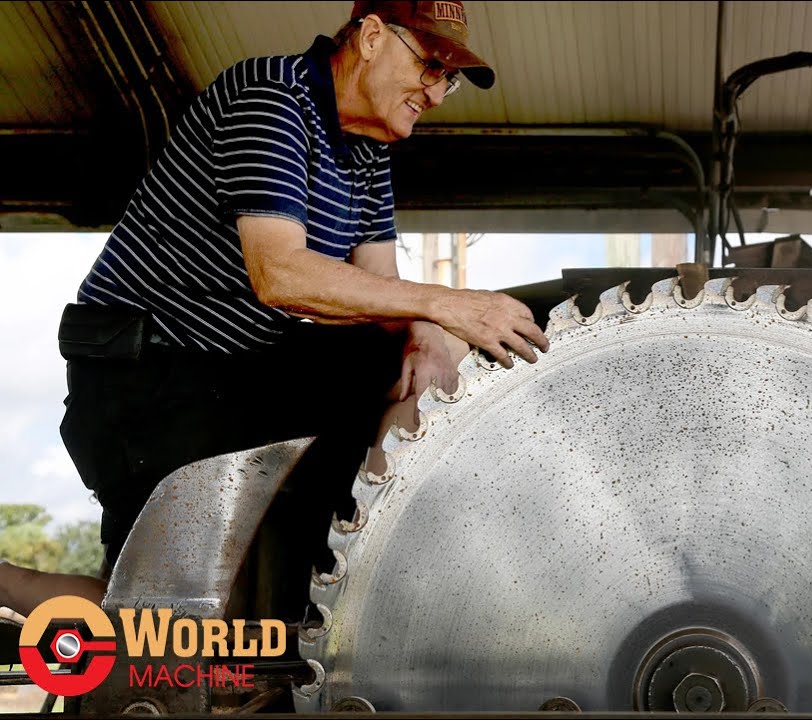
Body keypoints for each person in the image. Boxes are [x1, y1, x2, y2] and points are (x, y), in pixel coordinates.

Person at [0, 0, 547, 619]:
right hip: (146, 379)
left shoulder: (367, 147)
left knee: (423, 349)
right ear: (371, 38)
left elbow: (380, 284)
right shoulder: (270, 96)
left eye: (447, 79)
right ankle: (8, 585)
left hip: (239, 372)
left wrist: (425, 331)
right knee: (166, 624)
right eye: (429, 67)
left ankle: (361, 563)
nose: (438, 94)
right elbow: (279, 274)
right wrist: (448, 303)